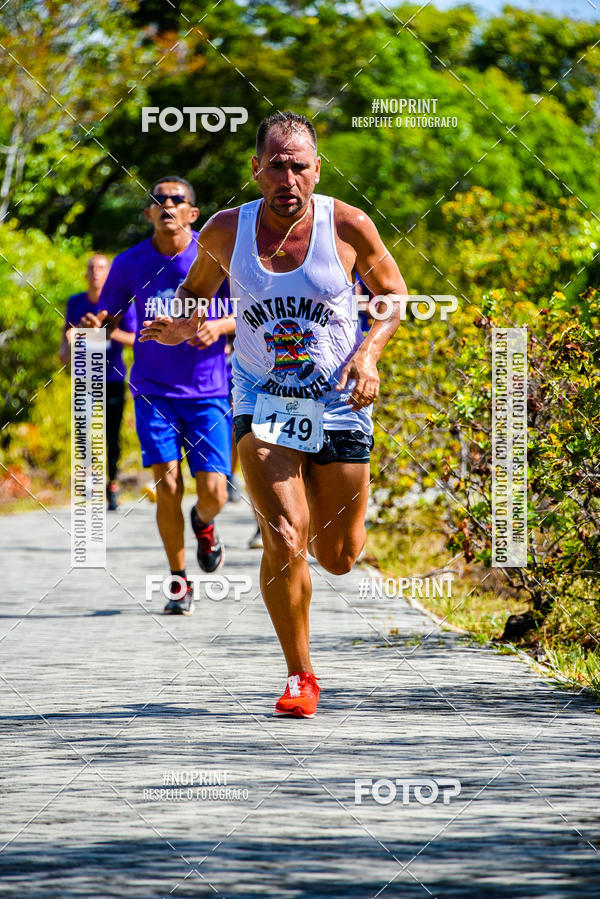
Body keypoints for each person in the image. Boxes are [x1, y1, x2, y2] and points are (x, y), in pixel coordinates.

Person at [140, 114, 405, 714]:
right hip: (263, 400)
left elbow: (392, 295)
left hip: (338, 400)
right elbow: (196, 293)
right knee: (285, 536)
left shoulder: (347, 225)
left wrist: (369, 352)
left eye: (300, 165)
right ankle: (300, 676)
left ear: (317, 168)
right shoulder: (226, 229)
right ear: (256, 169)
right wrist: (184, 325)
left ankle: (320, 540)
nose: (289, 177)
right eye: (276, 165)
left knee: (338, 556)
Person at [81, 176, 235, 615]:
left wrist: (220, 326)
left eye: (177, 199)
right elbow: (107, 317)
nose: (167, 204)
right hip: (153, 390)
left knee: (214, 494)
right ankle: (179, 580)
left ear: (193, 212)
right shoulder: (129, 263)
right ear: (148, 213)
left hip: (207, 390)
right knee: (167, 486)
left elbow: (252, 308)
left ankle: (203, 524)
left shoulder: (214, 254)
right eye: (158, 199)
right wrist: (96, 326)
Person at [59, 254, 136, 511]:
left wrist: (108, 331)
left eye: (101, 268)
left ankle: (112, 484)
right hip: (84, 376)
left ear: (109, 274)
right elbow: (67, 331)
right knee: (84, 431)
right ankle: (91, 480)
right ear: (85, 273)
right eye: (91, 268)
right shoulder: (76, 302)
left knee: (111, 435)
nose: (95, 272)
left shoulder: (121, 303)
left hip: (112, 376)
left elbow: (136, 339)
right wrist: (68, 342)